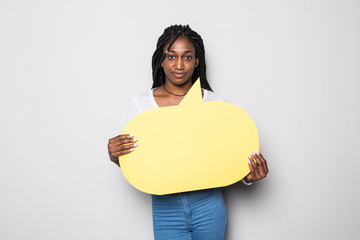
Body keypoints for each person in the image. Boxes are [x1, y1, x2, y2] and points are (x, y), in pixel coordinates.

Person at [108, 25, 269, 240]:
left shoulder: (215, 103)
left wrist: (247, 176)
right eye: (172, 56)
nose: (179, 65)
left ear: (197, 61)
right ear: (161, 60)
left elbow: (227, 155)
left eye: (187, 57)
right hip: (165, 209)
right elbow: (137, 162)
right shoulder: (141, 104)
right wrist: (116, 156)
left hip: (209, 206)